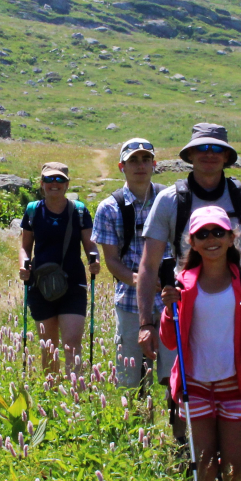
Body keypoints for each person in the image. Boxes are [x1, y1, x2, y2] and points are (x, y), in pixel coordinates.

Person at [136, 123, 241, 363]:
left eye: (216, 148)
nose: (209, 153)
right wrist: (145, 324)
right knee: (182, 388)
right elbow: (149, 266)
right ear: (190, 155)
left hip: (240, 309)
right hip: (185, 309)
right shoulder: (169, 200)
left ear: (226, 156)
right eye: (202, 148)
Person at [159, 206, 241, 481]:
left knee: (234, 467)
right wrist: (168, 308)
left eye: (217, 232)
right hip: (195, 384)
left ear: (232, 237)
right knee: (203, 463)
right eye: (203, 234)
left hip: (234, 385)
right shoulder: (182, 284)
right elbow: (169, 341)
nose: (211, 239)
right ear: (193, 242)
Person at [92, 137, 164, 389]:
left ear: (154, 164)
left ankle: (174, 426)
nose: (140, 165)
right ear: (122, 167)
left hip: (170, 299)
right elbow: (111, 259)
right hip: (131, 301)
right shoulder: (109, 208)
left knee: (173, 375)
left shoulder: (170, 200)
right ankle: (133, 422)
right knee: (129, 377)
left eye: (146, 159)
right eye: (133, 160)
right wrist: (140, 281)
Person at [18, 162, 100, 374]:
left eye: (59, 180)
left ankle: (77, 398)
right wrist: (23, 266)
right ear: (42, 183)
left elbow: (90, 244)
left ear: (67, 184)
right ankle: (51, 396)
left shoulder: (79, 211)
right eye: (49, 180)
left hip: (73, 284)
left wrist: (95, 260)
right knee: (49, 348)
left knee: (72, 345)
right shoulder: (33, 211)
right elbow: (25, 247)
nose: (55, 184)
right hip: (41, 285)